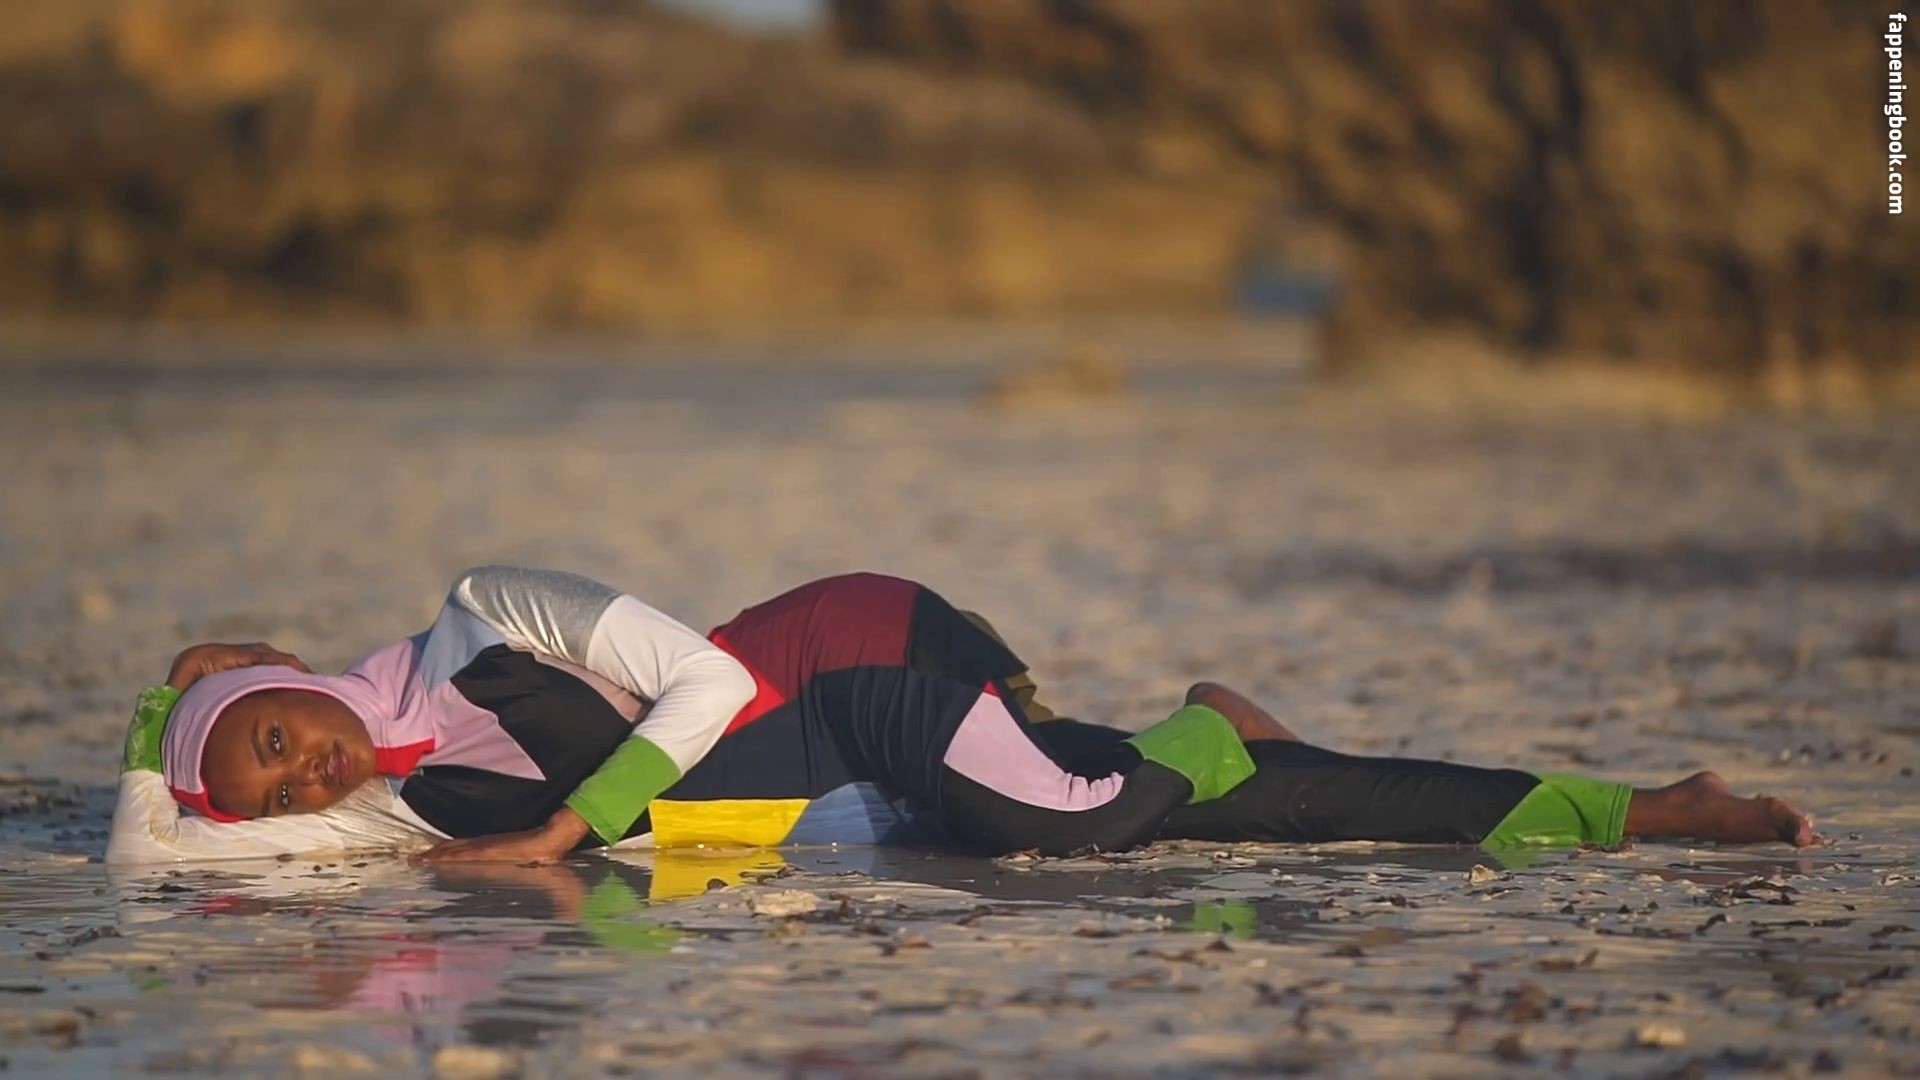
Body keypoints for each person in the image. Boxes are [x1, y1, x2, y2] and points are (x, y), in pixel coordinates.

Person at [104, 567, 1818, 865]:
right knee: (1261, 816)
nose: (305, 773)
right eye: (273, 784)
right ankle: (1647, 808)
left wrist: (570, 827)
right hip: (834, 763)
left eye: (281, 734)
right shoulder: (377, 807)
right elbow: (150, 852)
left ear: (291, 681)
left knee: (1080, 825)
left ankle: (1203, 720)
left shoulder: (480, 615)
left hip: (855, 662)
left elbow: (711, 685)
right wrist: (165, 709)